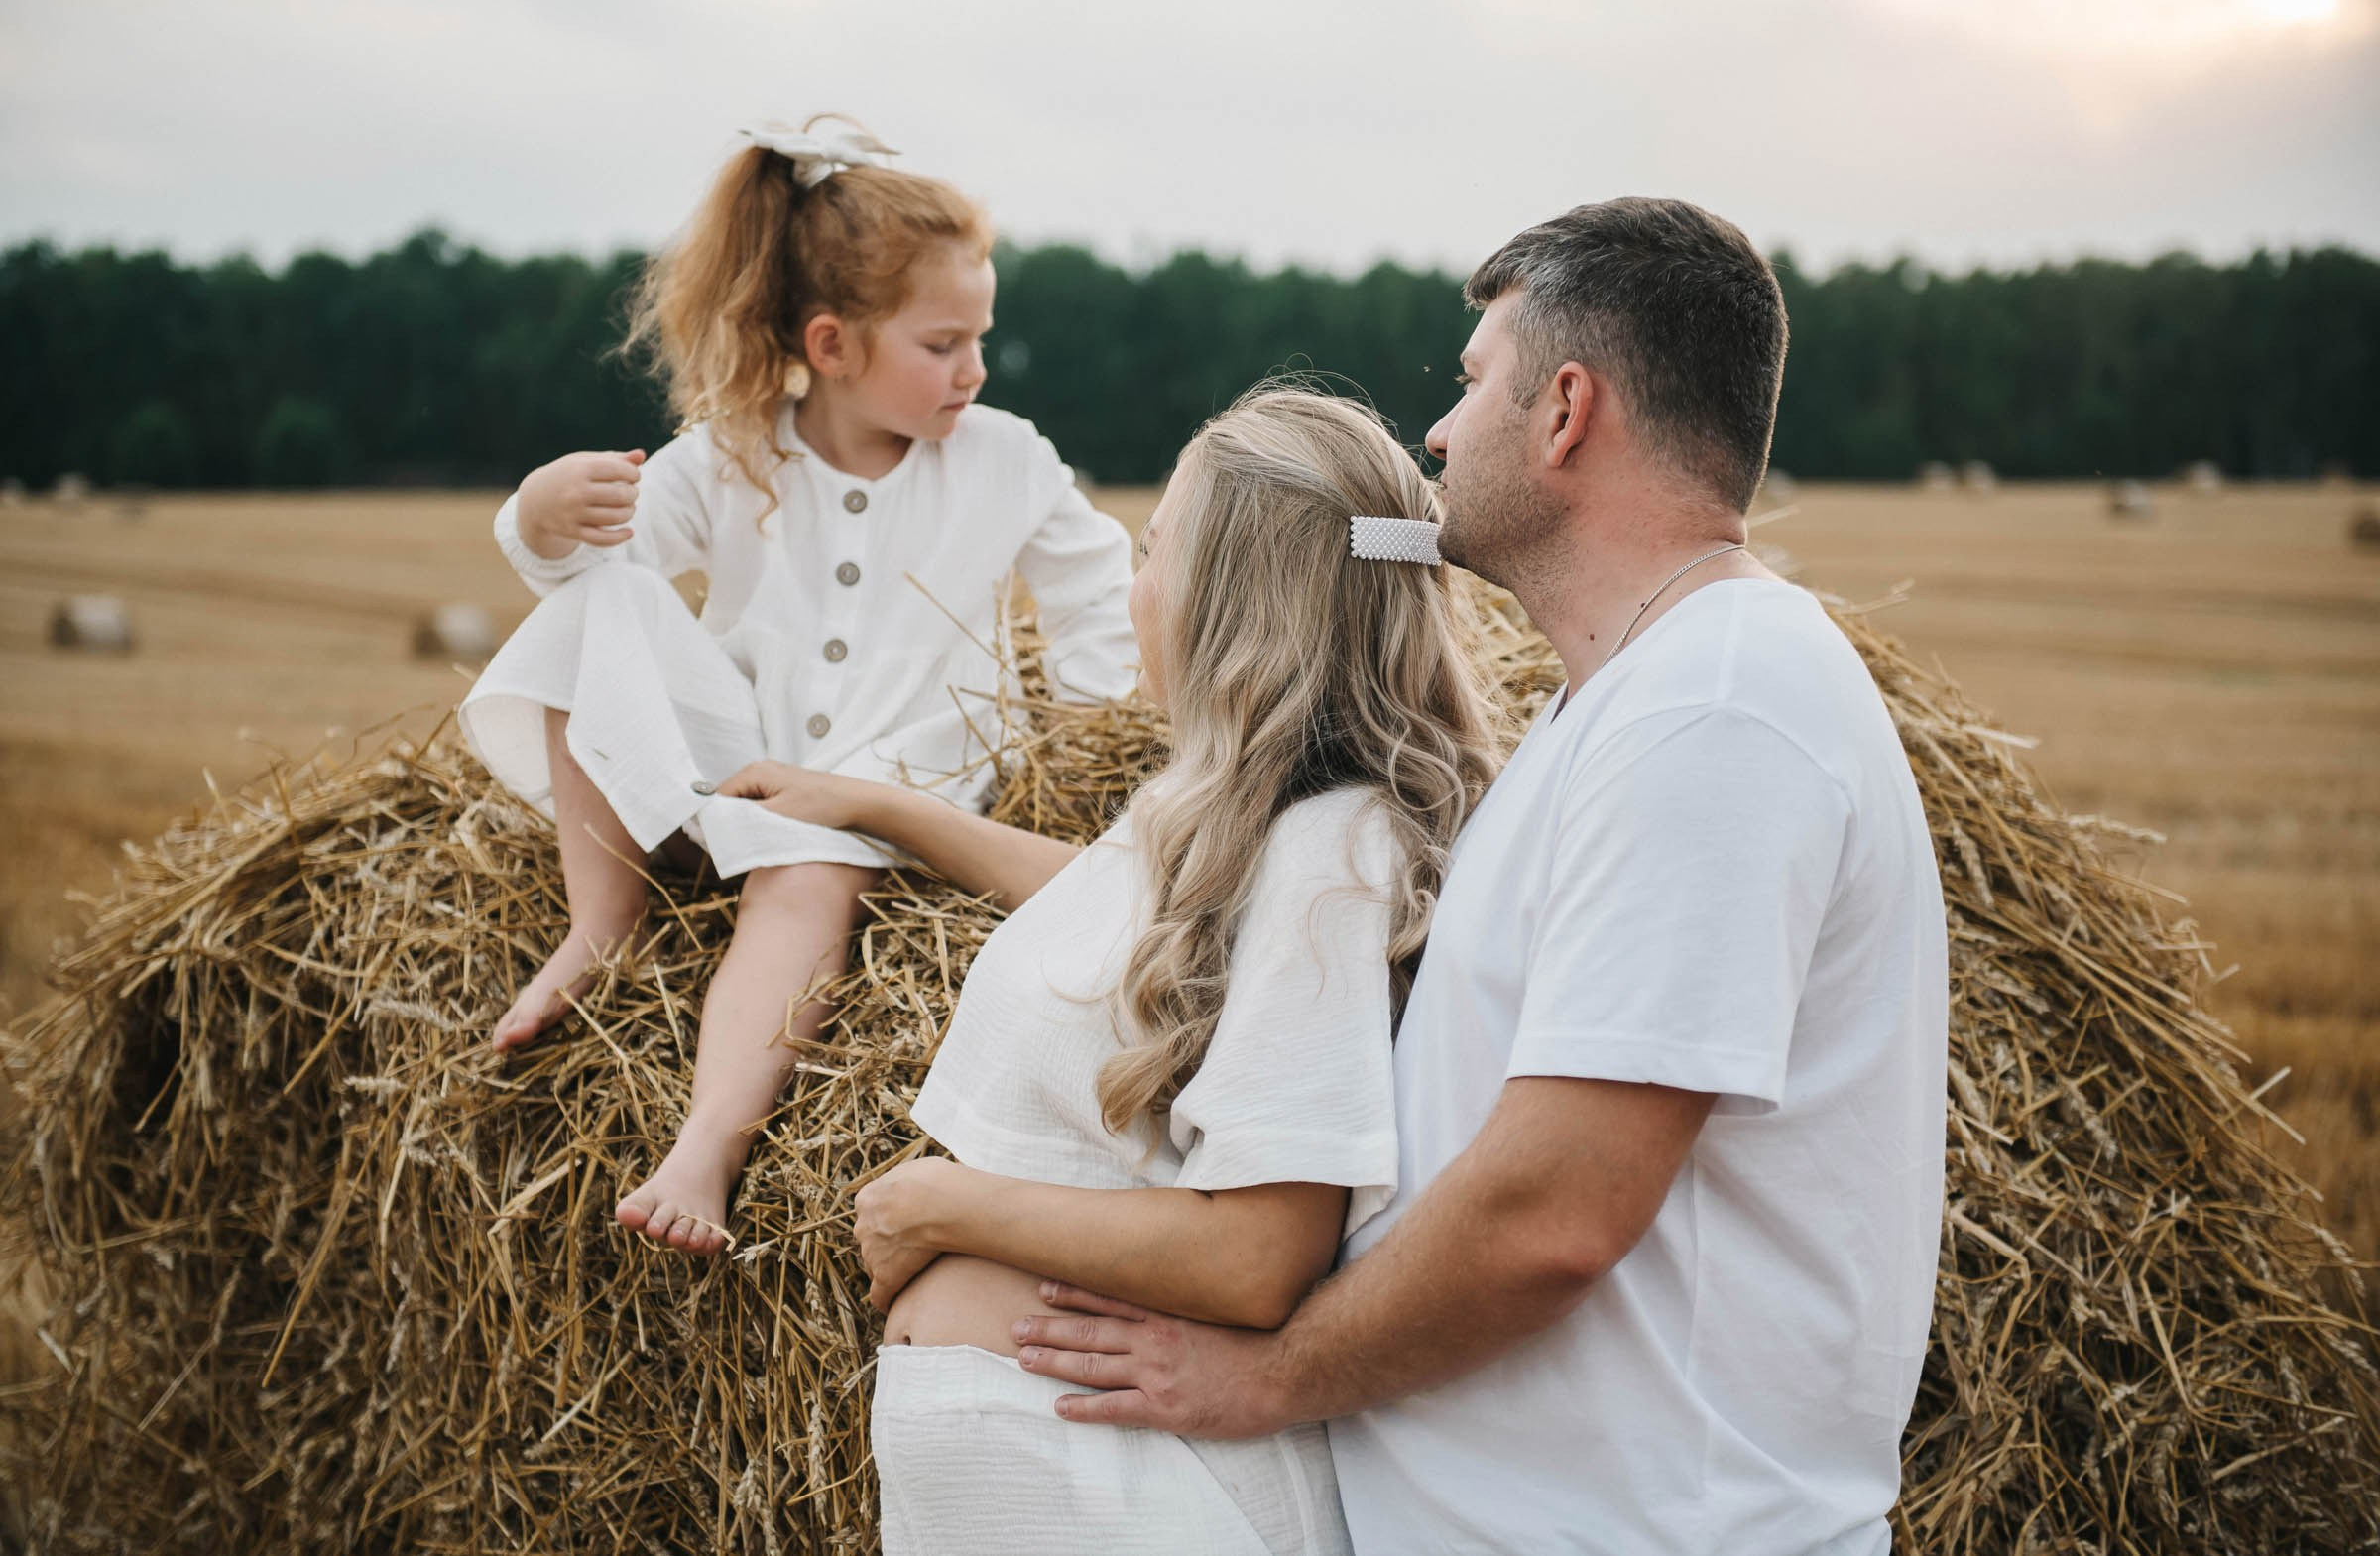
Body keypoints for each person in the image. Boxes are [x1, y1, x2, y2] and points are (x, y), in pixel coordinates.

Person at [1012, 199, 1952, 1555]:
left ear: (1566, 408)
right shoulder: (1623, 706)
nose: (1439, 437)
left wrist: (1266, 1378)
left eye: (1470, 384)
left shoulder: (1714, 711)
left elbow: (1554, 1213)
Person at [717, 386, 1503, 1555]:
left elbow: (1258, 1257)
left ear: (1228, 601)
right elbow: (1127, 908)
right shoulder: (1263, 821)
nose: (1134, 594)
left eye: (1152, 555)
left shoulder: (1329, 858)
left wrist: (940, 1203)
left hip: (1156, 1500)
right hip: (1083, 1485)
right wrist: (886, 810)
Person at [456, 117, 1138, 1257]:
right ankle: (598, 922)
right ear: (830, 344)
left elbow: (1094, 593)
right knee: (594, 608)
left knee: (808, 869)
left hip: (898, 781)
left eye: (982, 337)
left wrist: (1092, 735)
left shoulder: (1004, 455)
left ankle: (706, 1147)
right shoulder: (730, 454)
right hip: (742, 762)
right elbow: (586, 568)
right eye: (941, 343)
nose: (973, 368)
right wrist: (536, 515)